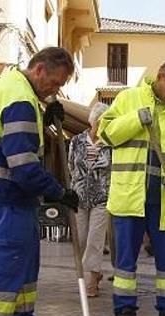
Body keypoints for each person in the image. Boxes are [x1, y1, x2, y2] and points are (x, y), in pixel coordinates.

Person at [0, 47, 79, 316]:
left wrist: (45, 120)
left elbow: (16, 140)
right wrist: (58, 191)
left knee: (25, 263)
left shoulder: (12, 88)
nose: (56, 90)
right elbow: (23, 164)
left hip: (8, 191)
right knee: (8, 263)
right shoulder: (19, 100)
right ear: (39, 69)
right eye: (55, 83)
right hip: (9, 192)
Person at [97, 60, 165, 316]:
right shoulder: (129, 98)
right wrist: (135, 119)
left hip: (163, 200)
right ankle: (125, 313)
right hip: (130, 195)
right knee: (126, 262)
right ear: (160, 76)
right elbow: (105, 133)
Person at [68, 102, 112, 297]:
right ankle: (97, 271)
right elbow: (71, 165)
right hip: (79, 197)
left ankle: (92, 281)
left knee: (95, 239)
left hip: (102, 197)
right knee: (80, 238)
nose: (103, 126)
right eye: (100, 122)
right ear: (93, 121)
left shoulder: (110, 143)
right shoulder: (77, 141)